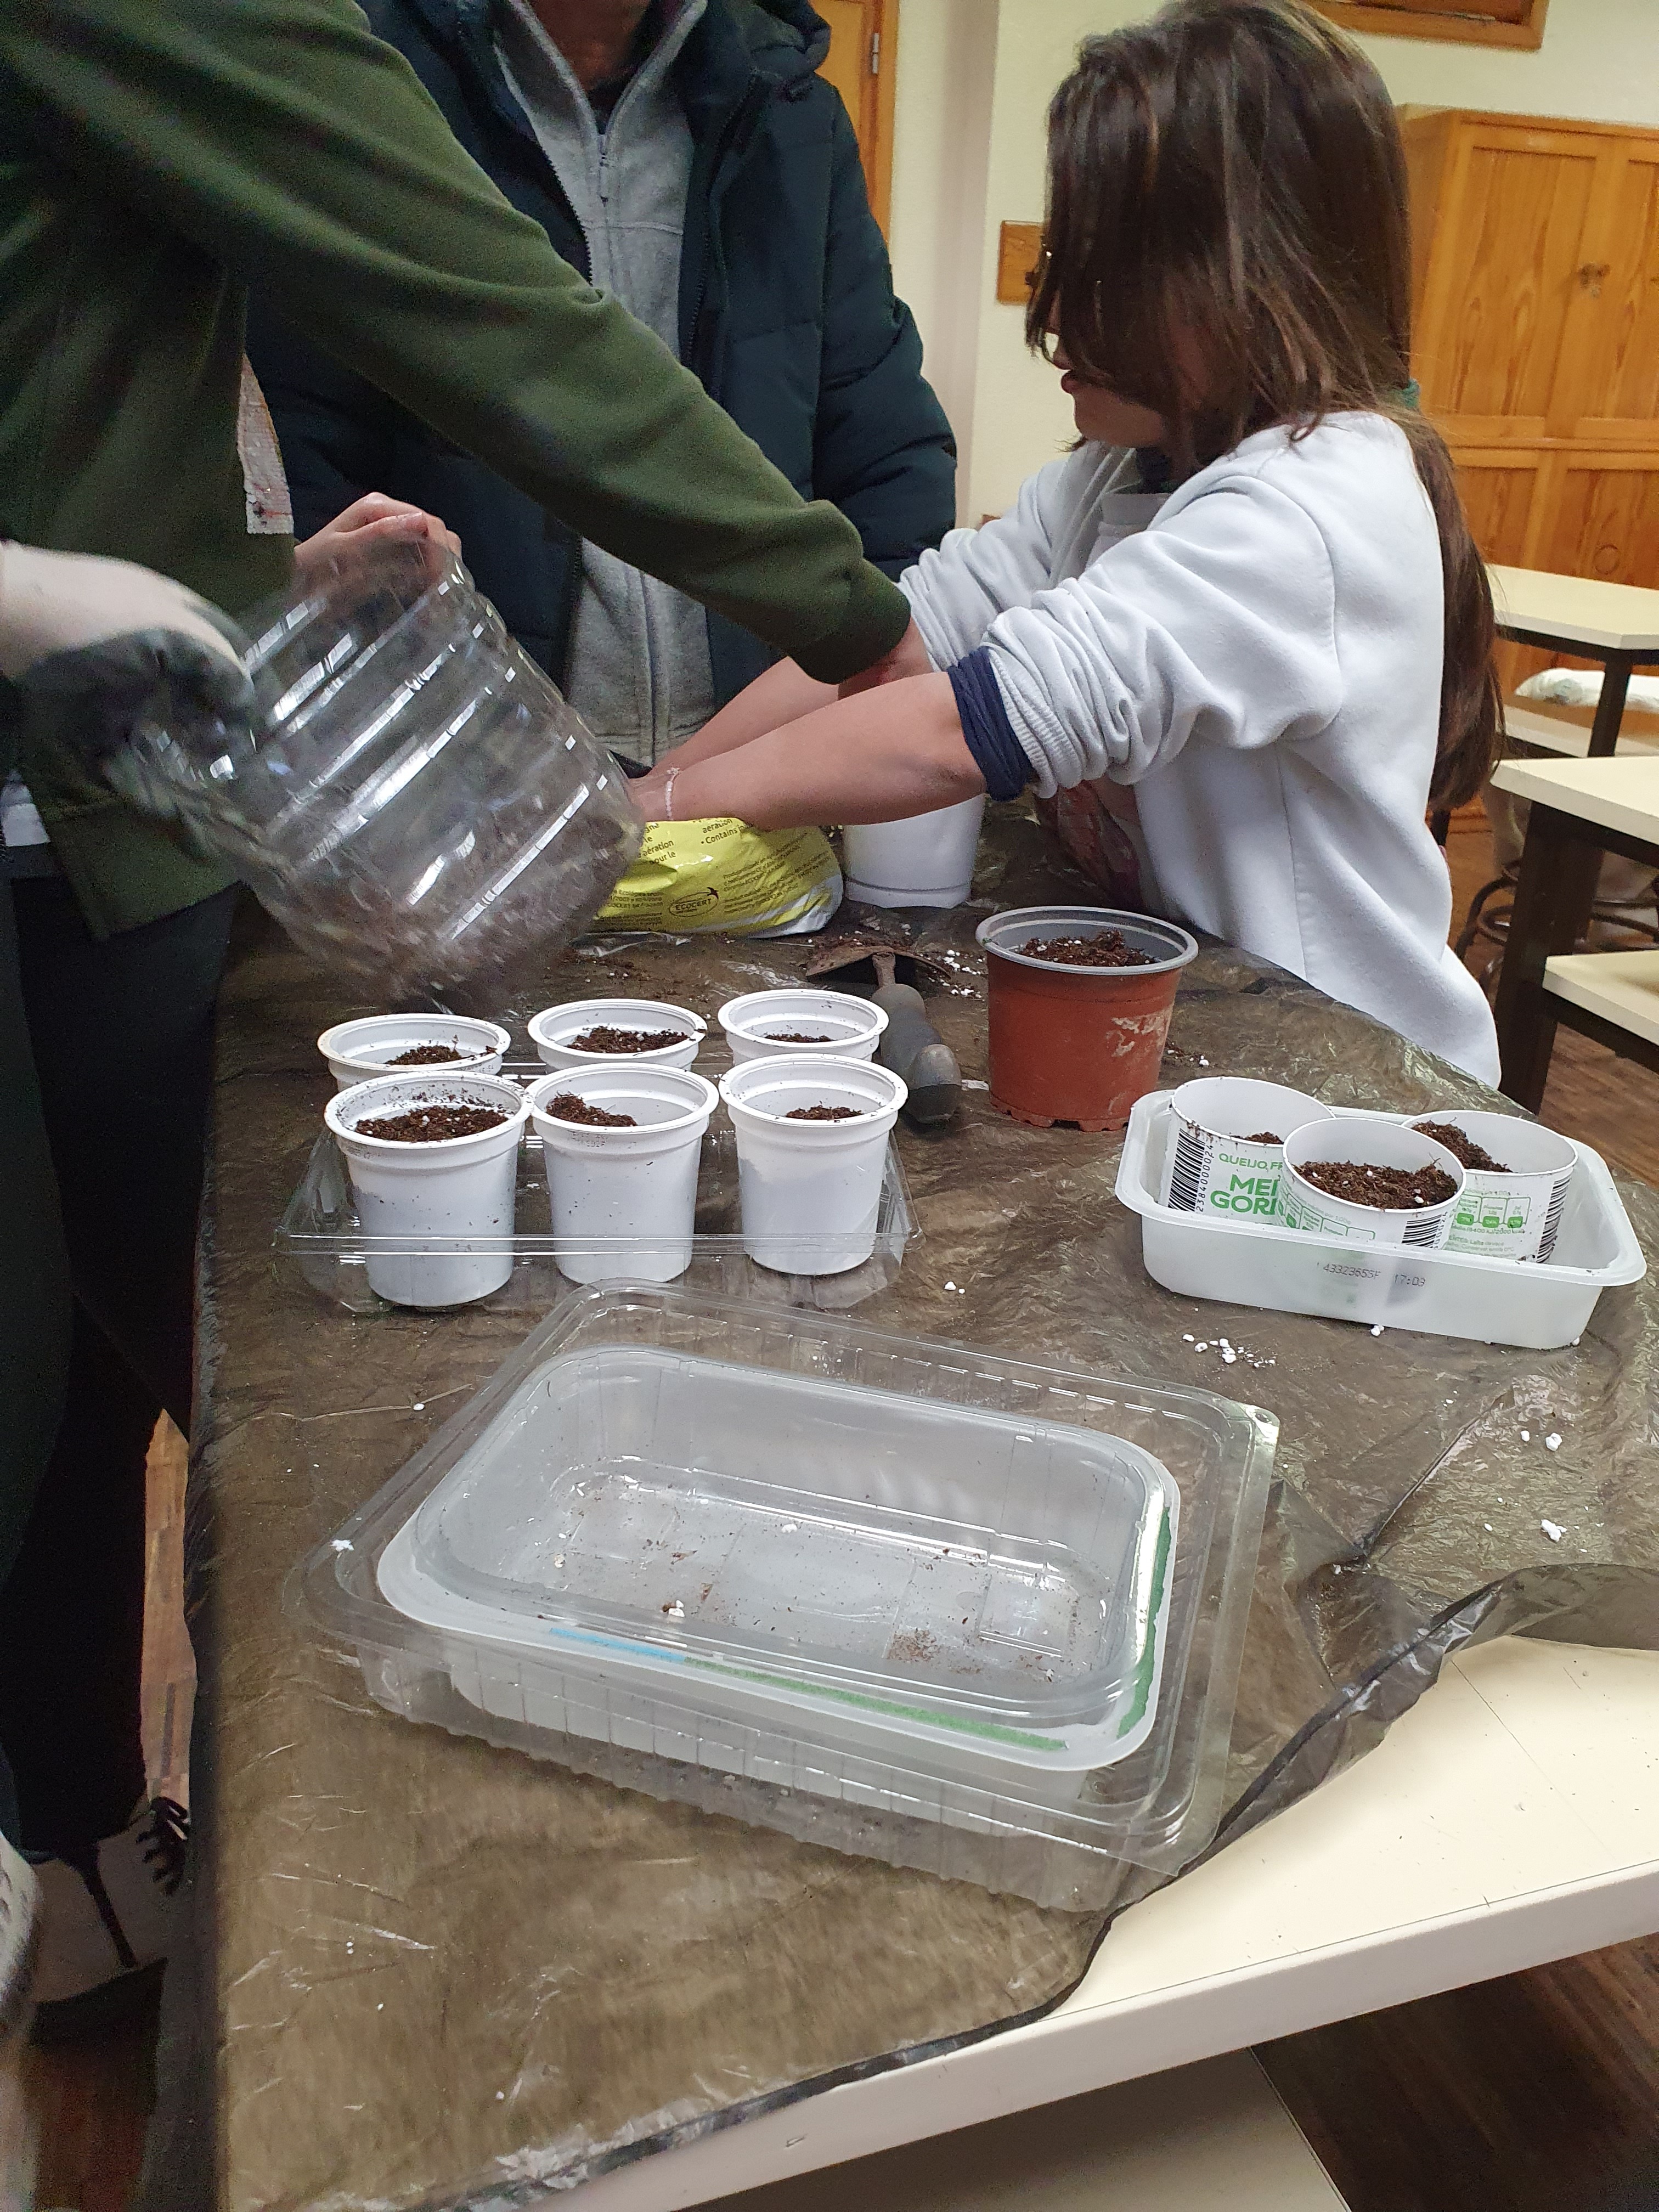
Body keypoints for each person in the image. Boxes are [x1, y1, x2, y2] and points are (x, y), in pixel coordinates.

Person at [0, 0, 923, 2038]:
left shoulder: (778, 99)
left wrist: (149, 580)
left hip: (104, 820)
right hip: (100, 823)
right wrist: (870, 622)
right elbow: (469, 312)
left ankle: (88, 1856)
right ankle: (326, 1898)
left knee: (82, 1391)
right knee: (149, 1381)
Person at [631, 0, 1504, 1085]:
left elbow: (966, 728)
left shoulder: (1315, 505)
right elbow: (900, 637)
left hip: (1354, 1073)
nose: (1048, 316)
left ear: (1251, 280)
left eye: (1102, 276)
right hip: (1219, 1030)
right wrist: (661, 785)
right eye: (1058, 257)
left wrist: (652, 814)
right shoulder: (1115, 478)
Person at [249, 0, 956, 768]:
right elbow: (305, 457)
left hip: (762, 769)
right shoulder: (372, 86)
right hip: (480, 785)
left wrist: (844, 695)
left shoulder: (790, 116)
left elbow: (888, 452)